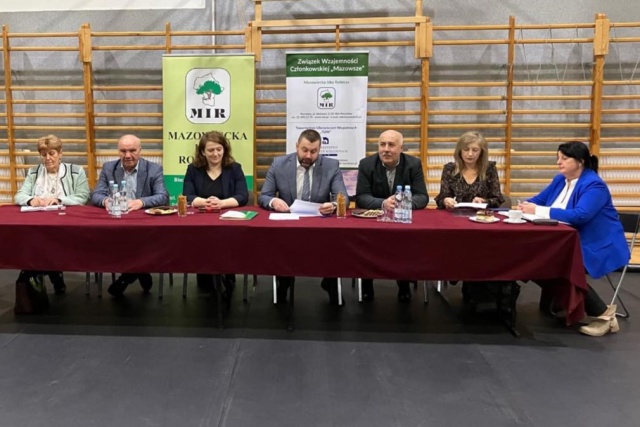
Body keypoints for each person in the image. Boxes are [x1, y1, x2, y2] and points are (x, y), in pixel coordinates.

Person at [519, 141, 630, 337]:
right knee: (533, 262)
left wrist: (537, 210)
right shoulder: (560, 180)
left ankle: (605, 316)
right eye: (558, 158)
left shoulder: (594, 185)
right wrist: (522, 206)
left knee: (558, 267)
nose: (558, 162)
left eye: (564, 158)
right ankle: (567, 303)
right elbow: (538, 200)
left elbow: (580, 215)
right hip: (566, 242)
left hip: (597, 244)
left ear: (580, 161)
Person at [258, 129, 349, 305]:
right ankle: (283, 281)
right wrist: (274, 201)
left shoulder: (331, 166)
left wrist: (333, 205)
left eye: (313, 151)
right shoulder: (279, 164)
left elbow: (343, 197)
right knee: (281, 243)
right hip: (288, 223)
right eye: (304, 150)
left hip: (319, 223)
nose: (308, 155)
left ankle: (330, 282)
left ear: (319, 150)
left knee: (335, 241)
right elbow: (264, 196)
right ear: (297, 146)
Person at [355, 129, 429, 302]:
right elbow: (361, 197)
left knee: (404, 242)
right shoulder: (366, 164)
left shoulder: (413, 164)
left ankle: (403, 283)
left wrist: (402, 202)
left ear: (401, 148)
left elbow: (422, 197)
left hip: (401, 219)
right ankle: (367, 282)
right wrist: (383, 203)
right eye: (382, 144)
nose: (386, 149)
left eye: (391, 145)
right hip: (373, 220)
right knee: (365, 244)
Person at [91, 134, 169, 297]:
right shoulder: (108, 168)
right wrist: (106, 201)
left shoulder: (154, 169)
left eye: (132, 150)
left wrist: (141, 202)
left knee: (138, 242)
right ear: (118, 152)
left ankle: (127, 277)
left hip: (143, 223)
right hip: (116, 222)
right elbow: (96, 195)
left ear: (140, 150)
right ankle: (140, 271)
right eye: (123, 151)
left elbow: (163, 196)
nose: (127, 155)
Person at [15, 134, 90, 294]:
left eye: (51, 153)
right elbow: (19, 195)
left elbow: (83, 196)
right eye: (44, 154)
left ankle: (42, 272)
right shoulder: (33, 172)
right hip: (38, 222)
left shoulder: (76, 171)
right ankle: (52, 273)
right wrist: (30, 200)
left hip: (66, 222)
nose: (47, 158)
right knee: (34, 238)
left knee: (47, 241)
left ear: (60, 153)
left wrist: (59, 200)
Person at [183, 130, 249, 301]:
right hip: (200, 221)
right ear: (202, 152)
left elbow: (243, 196)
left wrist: (221, 203)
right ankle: (211, 276)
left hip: (228, 221)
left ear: (224, 149)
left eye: (219, 149)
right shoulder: (193, 169)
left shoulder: (234, 168)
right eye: (210, 150)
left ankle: (225, 276)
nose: (215, 154)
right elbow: (188, 196)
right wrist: (205, 202)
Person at [435, 131, 504, 209]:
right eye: (466, 149)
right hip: (457, 213)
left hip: (481, 214)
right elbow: (442, 198)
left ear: (481, 152)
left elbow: (497, 199)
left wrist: (484, 201)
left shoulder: (489, 169)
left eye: (475, 150)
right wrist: (445, 200)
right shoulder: (450, 169)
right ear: (460, 151)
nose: (470, 154)